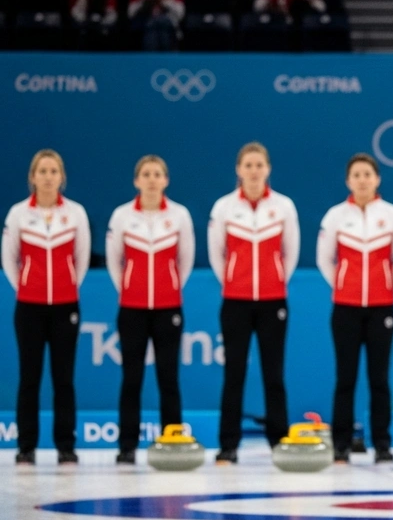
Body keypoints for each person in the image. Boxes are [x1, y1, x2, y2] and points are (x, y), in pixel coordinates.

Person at [208, 142, 299, 464]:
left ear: (268, 169)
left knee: (273, 374)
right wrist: (236, 281)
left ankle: (279, 441)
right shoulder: (223, 208)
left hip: (273, 301)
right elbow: (217, 255)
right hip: (235, 302)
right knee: (234, 374)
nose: (254, 170)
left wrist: (272, 282)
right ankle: (228, 444)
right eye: (248, 165)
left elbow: (289, 253)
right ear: (239, 169)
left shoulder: (284, 207)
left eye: (259, 165)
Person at [317, 154, 393, 465]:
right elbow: (324, 260)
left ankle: (382, 444)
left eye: (367, 174)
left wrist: (383, 287)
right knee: (346, 378)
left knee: (379, 379)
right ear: (348, 180)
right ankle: (340, 445)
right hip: (345, 308)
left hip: (382, 308)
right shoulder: (335, 216)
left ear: (377, 178)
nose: (362, 179)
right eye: (356, 174)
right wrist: (345, 286)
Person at [105, 156, 195, 465]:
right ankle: (127, 445)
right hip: (132, 309)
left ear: (166, 180)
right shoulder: (121, 216)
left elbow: (184, 261)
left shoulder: (180, 215)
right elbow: (115, 262)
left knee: (168, 378)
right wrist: (132, 290)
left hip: (168, 308)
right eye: (146, 174)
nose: (152, 179)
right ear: (137, 181)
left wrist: (167, 289)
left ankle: (172, 441)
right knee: (132, 379)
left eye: (157, 174)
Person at [4, 150, 89, 467]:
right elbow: (10, 259)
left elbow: (79, 260)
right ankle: (26, 447)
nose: (48, 176)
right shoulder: (18, 214)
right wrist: (28, 287)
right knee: (30, 377)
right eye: (43, 171)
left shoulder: (76, 213)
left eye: (54, 171)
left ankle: (65, 446)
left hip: (65, 306)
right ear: (33, 177)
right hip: (29, 307)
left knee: (63, 378)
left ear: (61, 177)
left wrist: (65, 288)